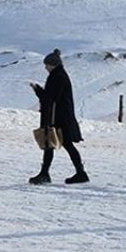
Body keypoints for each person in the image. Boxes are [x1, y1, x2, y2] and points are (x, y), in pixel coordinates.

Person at [31, 49, 87, 184]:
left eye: (47, 65)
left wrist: (38, 90)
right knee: (54, 144)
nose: (46, 67)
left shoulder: (58, 76)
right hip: (60, 116)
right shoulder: (59, 75)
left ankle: (48, 174)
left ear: (53, 64)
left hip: (58, 117)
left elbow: (51, 97)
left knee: (54, 143)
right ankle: (48, 173)